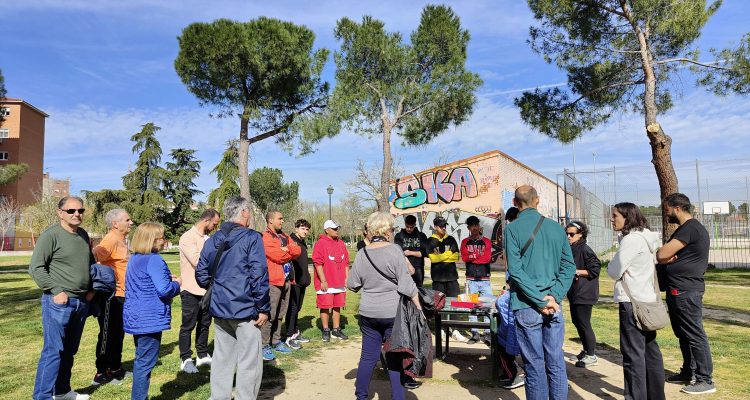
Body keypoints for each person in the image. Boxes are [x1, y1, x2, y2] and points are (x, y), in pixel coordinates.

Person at [505, 185, 576, 400]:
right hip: (553, 305)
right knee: (556, 361)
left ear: (515, 203)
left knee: (534, 365)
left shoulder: (512, 229)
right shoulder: (556, 228)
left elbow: (515, 271)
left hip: (527, 304)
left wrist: (539, 300)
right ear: (538, 200)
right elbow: (569, 267)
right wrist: (553, 297)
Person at [196, 196, 270, 400]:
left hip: (220, 308)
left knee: (222, 358)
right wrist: (263, 307)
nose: (250, 216)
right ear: (244, 212)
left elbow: (201, 274)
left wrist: (219, 288)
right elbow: (259, 274)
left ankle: (218, 397)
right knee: (249, 362)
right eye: (250, 212)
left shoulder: (213, 239)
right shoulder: (252, 238)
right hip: (246, 309)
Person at [347, 212, 421, 400]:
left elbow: (352, 285)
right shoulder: (395, 250)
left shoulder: (362, 253)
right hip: (392, 313)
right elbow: (407, 285)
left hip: (369, 312)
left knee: (367, 358)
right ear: (387, 230)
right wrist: (419, 308)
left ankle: (361, 396)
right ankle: (398, 396)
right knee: (394, 358)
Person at [29, 196, 95, 400]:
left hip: (81, 301)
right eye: (71, 211)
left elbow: (89, 263)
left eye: (80, 211)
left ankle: (62, 391)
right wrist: (57, 291)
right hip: (58, 302)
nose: (77, 214)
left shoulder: (83, 234)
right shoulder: (51, 236)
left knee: (69, 350)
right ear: (60, 213)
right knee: (53, 351)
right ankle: (42, 396)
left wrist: (91, 289)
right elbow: (36, 268)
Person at [656, 193, 716, 395]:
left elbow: (662, 254)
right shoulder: (686, 229)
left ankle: (705, 379)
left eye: (667, 210)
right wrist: (665, 257)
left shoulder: (690, 228)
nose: (666, 215)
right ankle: (688, 371)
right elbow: (664, 256)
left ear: (677, 208)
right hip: (678, 289)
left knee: (694, 334)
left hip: (686, 291)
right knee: (683, 334)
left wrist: (664, 256)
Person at [608, 202, 665, 400]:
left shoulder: (631, 240)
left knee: (633, 356)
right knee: (650, 352)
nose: (612, 219)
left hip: (631, 303)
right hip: (646, 300)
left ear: (627, 216)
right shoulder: (646, 237)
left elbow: (614, 271)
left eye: (615, 215)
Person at [123, 222, 181, 400]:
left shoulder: (135, 258)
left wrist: (166, 278)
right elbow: (164, 289)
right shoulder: (154, 259)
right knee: (145, 363)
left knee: (142, 360)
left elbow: (145, 281)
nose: (164, 241)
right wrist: (177, 284)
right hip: (149, 319)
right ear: (152, 240)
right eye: (162, 238)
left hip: (136, 316)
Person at [91, 208, 133, 385]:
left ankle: (115, 368)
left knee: (118, 333)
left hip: (123, 295)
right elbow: (92, 257)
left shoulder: (122, 240)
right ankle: (101, 373)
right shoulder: (110, 240)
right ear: (115, 224)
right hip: (111, 296)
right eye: (127, 220)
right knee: (107, 333)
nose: (131, 222)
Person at [177, 209, 220, 373]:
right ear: (206, 220)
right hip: (190, 289)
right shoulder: (187, 237)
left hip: (207, 289)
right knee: (188, 325)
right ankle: (186, 359)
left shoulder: (208, 238)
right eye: (214, 224)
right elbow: (197, 261)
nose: (215, 227)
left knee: (205, 324)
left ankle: (202, 354)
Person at [261, 210, 302, 360]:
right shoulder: (265, 237)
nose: (282, 221)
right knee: (270, 314)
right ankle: (264, 345)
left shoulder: (284, 236)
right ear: (270, 220)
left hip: (287, 280)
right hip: (273, 281)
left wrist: (287, 249)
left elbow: (298, 251)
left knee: (280, 313)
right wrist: (285, 251)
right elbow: (277, 256)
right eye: (280, 218)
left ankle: (276, 341)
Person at [565, 220, 601, 368]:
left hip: (585, 293)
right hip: (575, 292)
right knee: (577, 321)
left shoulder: (585, 249)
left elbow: (595, 269)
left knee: (584, 323)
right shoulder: (573, 248)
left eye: (572, 234)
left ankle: (591, 355)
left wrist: (577, 271)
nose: (568, 236)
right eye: (566, 233)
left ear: (580, 234)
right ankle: (586, 351)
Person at [312, 219, 350, 342]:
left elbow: (346, 263)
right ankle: (326, 329)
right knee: (325, 306)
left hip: (339, 281)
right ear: (326, 230)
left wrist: (347, 278)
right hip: (326, 282)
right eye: (334, 228)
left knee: (337, 306)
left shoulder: (341, 243)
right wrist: (323, 280)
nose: (336, 230)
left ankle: (336, 329)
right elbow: (318, 263)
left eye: (337, 228)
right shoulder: (320, 243)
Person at [460, 215, 493, 344]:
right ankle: (475, 333)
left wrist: (473, 256)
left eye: (476, 225)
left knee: (487, 305)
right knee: (471, 306)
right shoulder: (464, 242)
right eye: (472, 226)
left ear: (479, 226)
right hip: (471, 279)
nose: (474, 228)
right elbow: (464, 257)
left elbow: (486, 258)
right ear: (468, 228)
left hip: (485, 279)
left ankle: (487, 333)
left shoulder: (486, 241)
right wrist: (476, 255)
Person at [284, 219, 312, 349]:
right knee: (293, 308)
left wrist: (307, 277)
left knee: (298, 308)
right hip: (294, 281)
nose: (305, 231)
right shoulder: (291, 241)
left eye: (306, 229)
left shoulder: (302, 242)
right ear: (296, 228)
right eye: (302, 229)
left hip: (302, 281)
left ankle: (295, 332)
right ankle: (289, 336)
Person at [426, 216, 460, 297]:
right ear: (435, 227)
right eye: (441, 226)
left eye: (444, 226)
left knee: (454, 302)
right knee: (439, 303)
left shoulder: (451, 239)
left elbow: (456, 257)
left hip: (452, 278)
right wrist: (449, 254)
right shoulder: (430, 241)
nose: (443, 228)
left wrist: (439, 258)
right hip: (437, 279)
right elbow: (433, 259)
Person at [394, 214, 428, 287]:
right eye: (407, 226)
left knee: (419, 289)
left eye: (411, 227)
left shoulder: (421, 236)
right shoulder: (399, 236)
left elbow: (424, 253)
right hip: (403, 267)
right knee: (404, 289)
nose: (409, 229)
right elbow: (399, 253)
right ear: (405, 224)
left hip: (418, 268)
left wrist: (410, 253)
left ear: (415, 225)